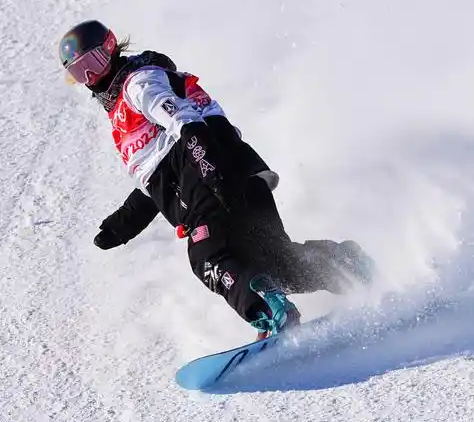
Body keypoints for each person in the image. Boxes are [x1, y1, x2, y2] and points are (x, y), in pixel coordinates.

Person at [58, 20, 373, 340]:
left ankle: (269, 309)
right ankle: (346, 264)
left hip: (209, 173)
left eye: (93, 63)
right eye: (80, 73)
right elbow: (153, 178)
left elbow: (185, 124)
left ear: (111, 48)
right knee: (281, 265)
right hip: (234, 174)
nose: (91, 78)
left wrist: (212, 174)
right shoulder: (123, 110)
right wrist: (124, 224)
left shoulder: (139, 83)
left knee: (208, 257)